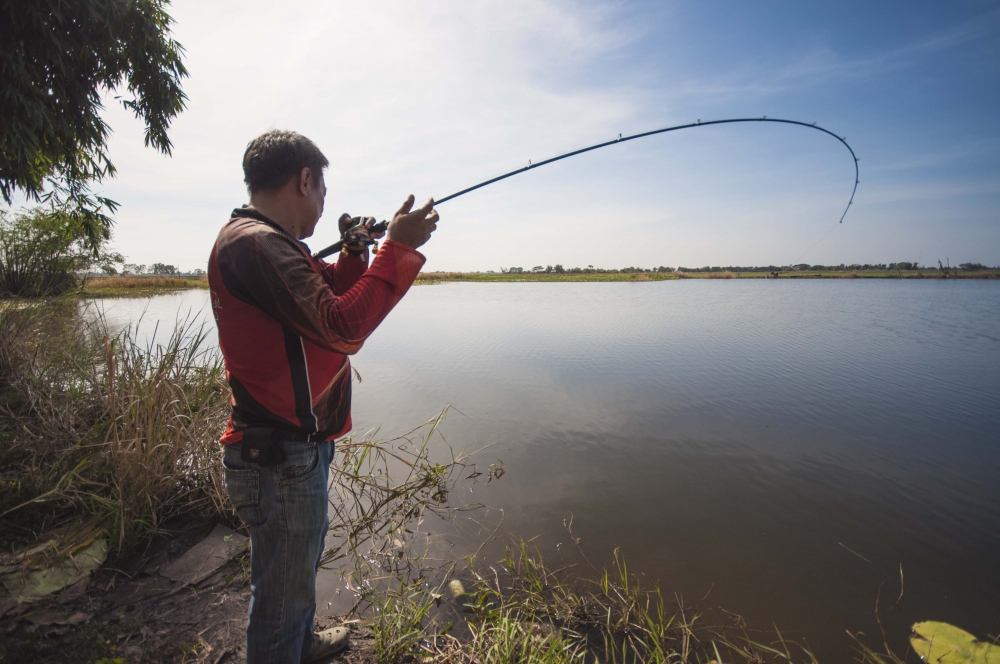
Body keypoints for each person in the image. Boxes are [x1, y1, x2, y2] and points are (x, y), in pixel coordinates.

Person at [208, 129, 438, 663]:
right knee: (280, 595)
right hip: (279, 454)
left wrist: (358, 252)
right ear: (305, 179)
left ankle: (300, 644)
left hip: (289, 450)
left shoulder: (268, 243)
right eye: (322, 193)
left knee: (293, 574)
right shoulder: (256, 245)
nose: (321, 207)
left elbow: (325, 292)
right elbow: (341, 327)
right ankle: (286, 647)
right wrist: (397, 249)